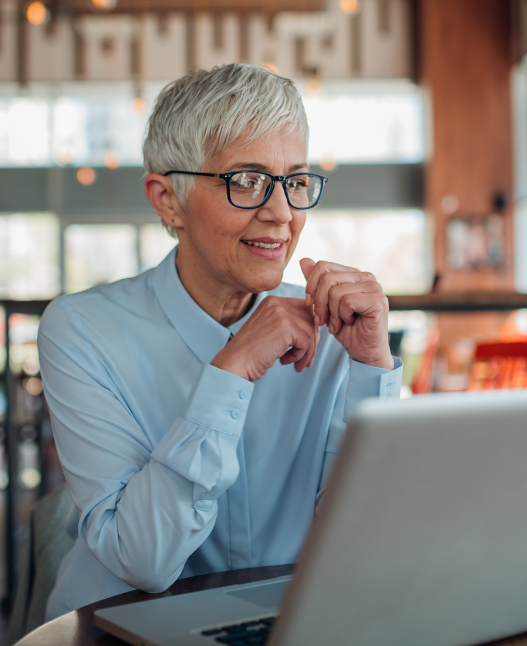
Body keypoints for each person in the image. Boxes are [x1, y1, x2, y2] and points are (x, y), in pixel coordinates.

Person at [39, 64, 403, 620]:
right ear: (168, 200)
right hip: (121, 626)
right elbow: (143, 560)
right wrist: (230, 372)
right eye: (247, 180)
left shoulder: (335, 329)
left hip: (289, 622)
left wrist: (372, 369)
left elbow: (368, 542)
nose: (282, 214)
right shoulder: (82, 331)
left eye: (295, 182)